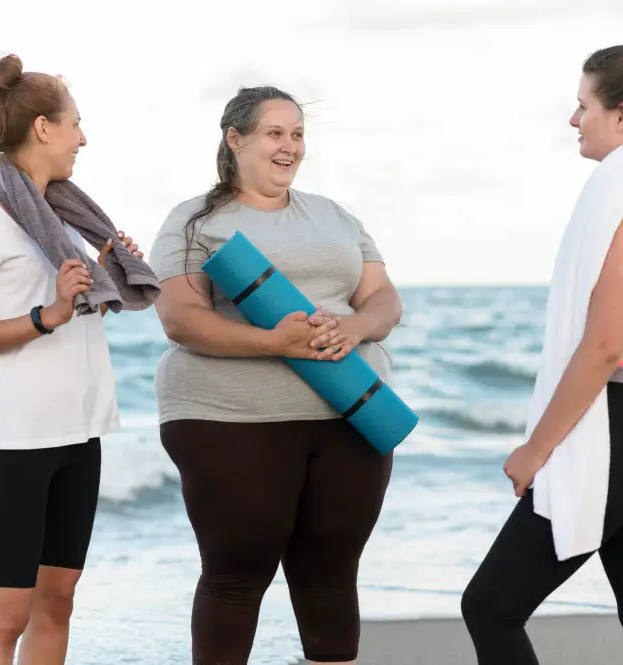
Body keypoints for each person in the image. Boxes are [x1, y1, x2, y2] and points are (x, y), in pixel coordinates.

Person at [461, 45, 623, 665]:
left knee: (489, 608)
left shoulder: (621, 200)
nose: (575, 120)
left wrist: (535, 449)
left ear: (621, 116)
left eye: (583, 106)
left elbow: (600, 348)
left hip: (621, 428)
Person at [148, 85, 402, 665]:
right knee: (237, 576)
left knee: (332, 576)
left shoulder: (335, 216)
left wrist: (357, 329)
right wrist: (271, 341)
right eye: (274, 133)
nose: (289, 146)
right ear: (235, 140)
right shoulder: (195, 221)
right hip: (231, 420)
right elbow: (181, 319)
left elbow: (384, 298)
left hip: (352, 412)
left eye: (296, 134)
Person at [0, 54, 154, 665]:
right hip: (15, 438)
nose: (82, 138)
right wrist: (46, 316)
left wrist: (111, 269)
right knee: (7, 613)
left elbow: (84, 301)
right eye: (74, 125)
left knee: (57, 600)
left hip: (78, 430)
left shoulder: (66, 216)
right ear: (42, 128)